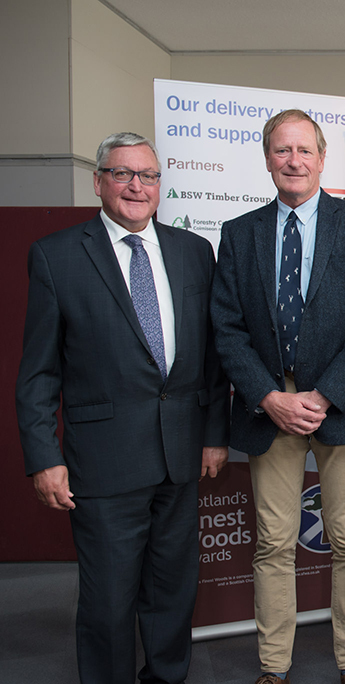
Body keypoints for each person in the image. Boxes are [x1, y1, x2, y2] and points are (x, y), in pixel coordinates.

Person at [15, 132, 230, 684]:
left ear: (161, 185)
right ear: (99, 181)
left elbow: (210, 359)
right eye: (123, 174)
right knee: (108, 600)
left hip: (180, 457)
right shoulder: (57, 255)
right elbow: (40, 371)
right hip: (104, 463)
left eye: (149, 176)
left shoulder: (192, 251)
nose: (137, 186)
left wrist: (213, 433)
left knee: (172, 591)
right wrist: (44, 456)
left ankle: (165, 677)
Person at [211, 109, 345, 684]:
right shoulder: (239, 233)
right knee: (274, 542)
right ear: (267, 159)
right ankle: (273, 666)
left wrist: (326, 394)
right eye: (282, 151)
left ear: (321, 158)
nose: (293, 161)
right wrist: (269, 396)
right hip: (271, 410)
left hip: (340, 405)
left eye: (304, 151)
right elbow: (227, 327)